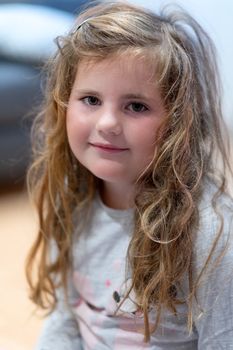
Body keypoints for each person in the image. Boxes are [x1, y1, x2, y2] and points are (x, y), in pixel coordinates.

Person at [26, 1, 233, 349]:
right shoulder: (71, 200)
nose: (107, 124)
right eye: (90, 100)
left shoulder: (212, 236)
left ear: (178, 124)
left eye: (136, 106)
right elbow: (66, 320)